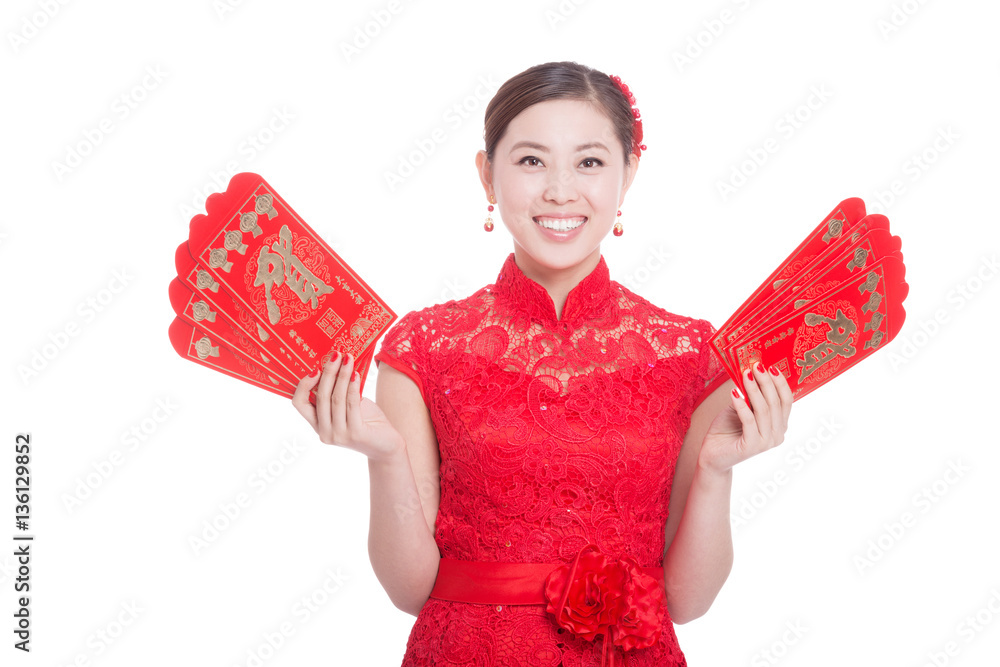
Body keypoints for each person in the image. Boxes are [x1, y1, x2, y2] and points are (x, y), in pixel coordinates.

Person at [292, 60, 793, 666]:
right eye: (531, 161)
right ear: (487, 175)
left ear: (627, 175)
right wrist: (385, 455)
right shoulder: (423, 346)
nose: (560, 189)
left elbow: (687, 601)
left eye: (590, 162)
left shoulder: (690, 354)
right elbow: (409, 589)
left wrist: (717, 470)